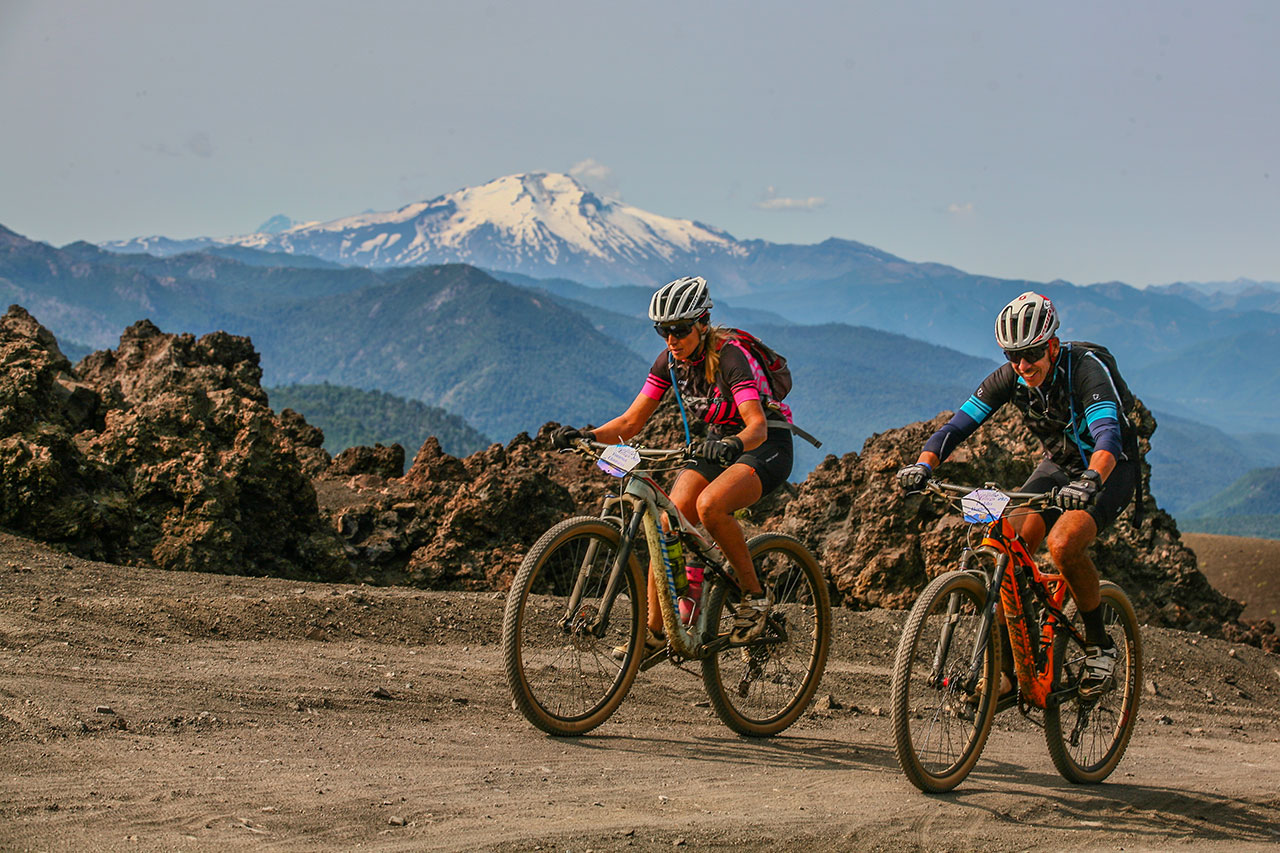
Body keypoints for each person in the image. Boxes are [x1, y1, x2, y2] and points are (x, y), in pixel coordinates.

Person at [896, 291, 1139, 700]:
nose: (1023, 366)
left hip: (1109, 468)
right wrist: (924, 465)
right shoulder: (1010, 377)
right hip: (1059, 466)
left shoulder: (1085, 370)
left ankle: (1101, 645)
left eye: (1031, 354)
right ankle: (1010, 672)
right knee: (1004, 542)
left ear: (1052, 345)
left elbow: (1107, 435)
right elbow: (957, 426)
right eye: (1013, 356)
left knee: (1062, 546)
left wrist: (1093, 478)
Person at [552, 275, 795, 655]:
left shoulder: (731, 357)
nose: (671, 339)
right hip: (718, 445)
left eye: (680, 330)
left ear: (701, 323)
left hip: (764, 444)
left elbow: (757, 426)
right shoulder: (669, 361)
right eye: (662, 330)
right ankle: (654, 633)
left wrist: (732, 443)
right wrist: (585, 436)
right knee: (666, 521)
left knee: (710, 506)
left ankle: (756, 598)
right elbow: (631, 423)